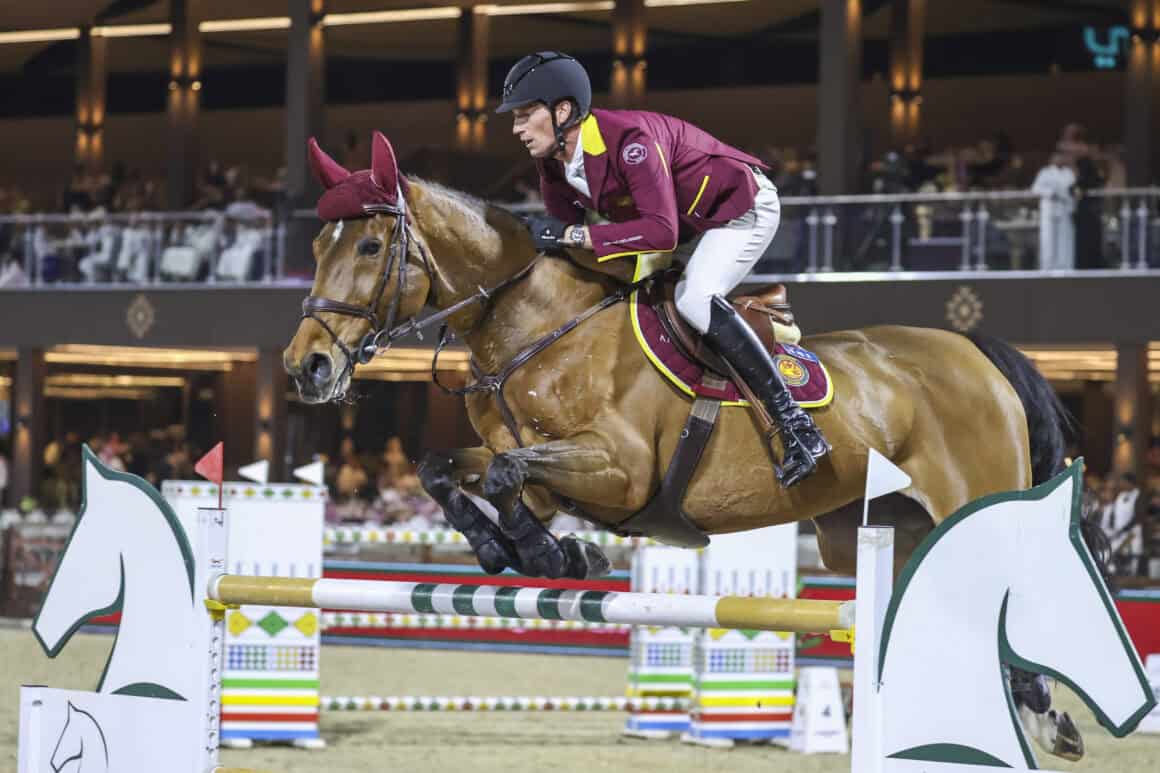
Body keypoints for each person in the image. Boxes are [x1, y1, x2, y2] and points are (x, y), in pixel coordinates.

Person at [497, 51, 828, 487]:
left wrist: (573, 237)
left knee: (694, 297)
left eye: (524, 116)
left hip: (738, 209)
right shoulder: (553, 164)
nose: (517, 129)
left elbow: (659, 232)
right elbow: (565, 241)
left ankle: (796, 425)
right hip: (686, 223)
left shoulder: (629, 140)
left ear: (562, 111)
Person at [1030, 152, 1076, 270]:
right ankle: (1047, 266)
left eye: (1061, 157)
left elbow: (1073, 191)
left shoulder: (1069, 173)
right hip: (1049, 209)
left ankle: (1064, 266)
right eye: (1057, 157)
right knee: (1047, 239)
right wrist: (1050, 193)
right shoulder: (1045, 172)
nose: (1059, 159)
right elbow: (1035, 189)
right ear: (1052, 159)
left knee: (1064, 238)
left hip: (1064, 209)